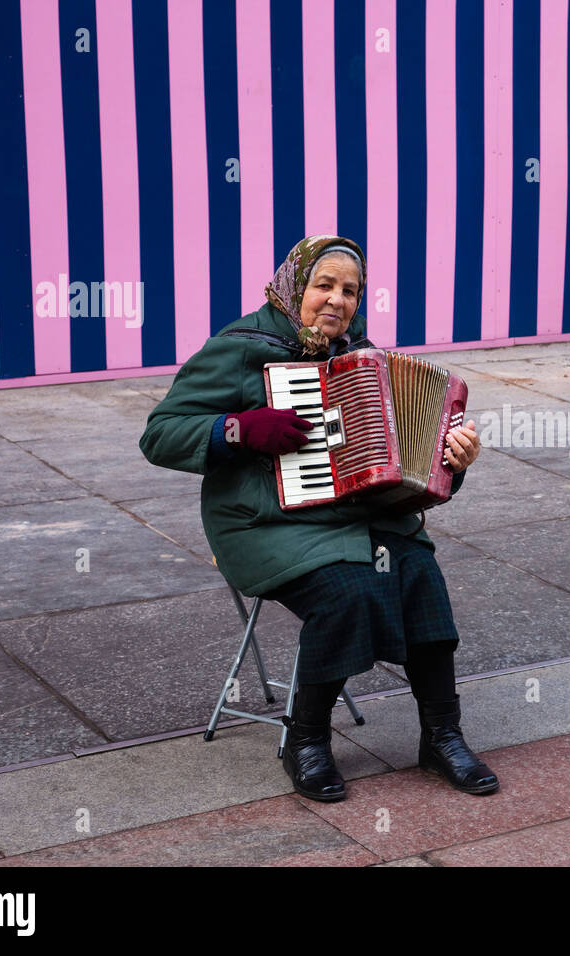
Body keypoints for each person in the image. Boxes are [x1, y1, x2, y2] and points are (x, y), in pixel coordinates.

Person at [138, 235, 498, 802]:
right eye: (323, 285)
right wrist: (238, 429)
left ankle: (442, 736)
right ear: (294, 286)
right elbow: (158, 434)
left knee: (422, 577)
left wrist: (454, 459)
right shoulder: (239, 348)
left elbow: (404, 456)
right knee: (346, 590)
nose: (336, 300)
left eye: (349, 291)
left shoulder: (362, 356)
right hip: (264, 523)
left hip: (354, 517)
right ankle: (306, 739)